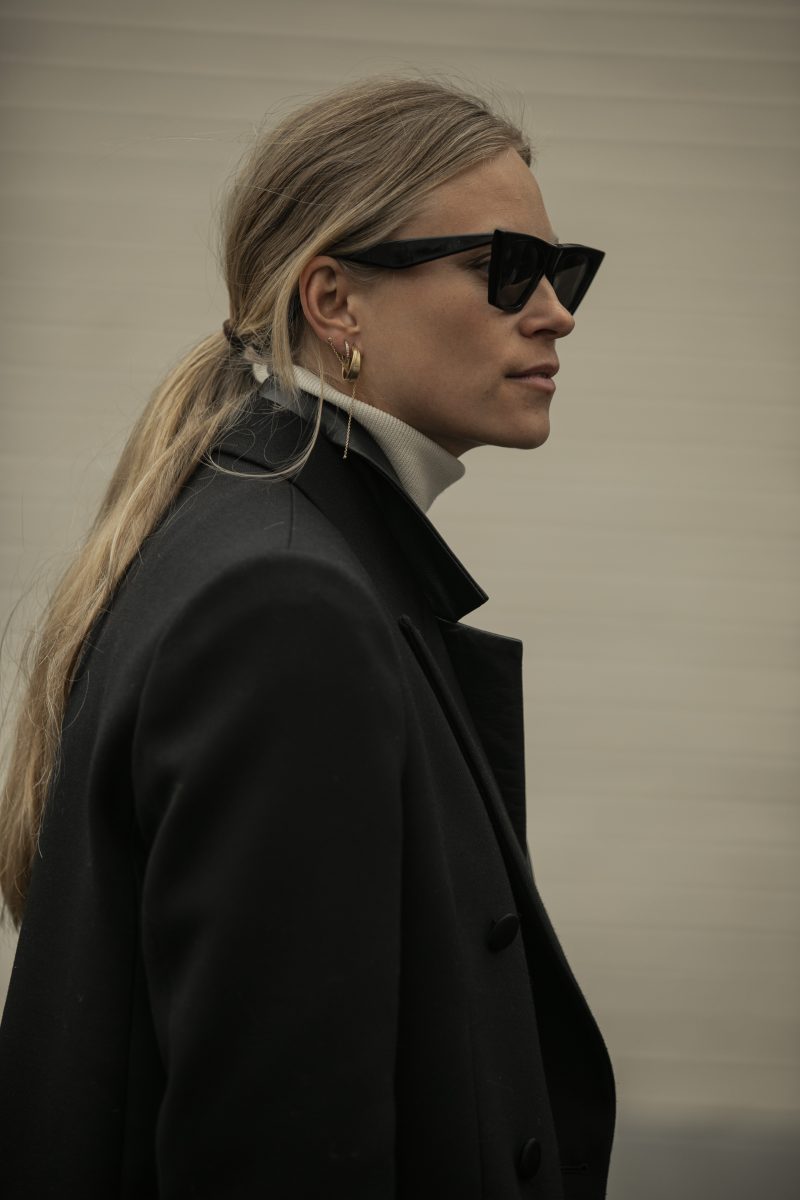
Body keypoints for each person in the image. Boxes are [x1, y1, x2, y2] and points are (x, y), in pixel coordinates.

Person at [0, 76, 615, 1198]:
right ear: (334, 302)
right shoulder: (286, 603)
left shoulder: (259, 542)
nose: (555, 312)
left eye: (562, 271)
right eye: (508, 269)